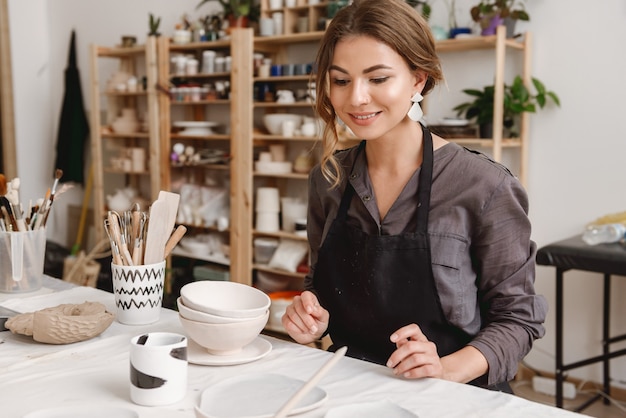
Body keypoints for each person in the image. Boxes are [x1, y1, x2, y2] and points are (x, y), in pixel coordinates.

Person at [281, 0, 548, 391]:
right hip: (350, 389)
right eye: (340, 80)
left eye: (377, 78)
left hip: (454, 398)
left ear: (418, 80)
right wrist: (311, 315)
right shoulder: (328, 179)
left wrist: (445, 369)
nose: (356, 98)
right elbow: (319, 285)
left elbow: (519, 320)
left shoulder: (483, 186)